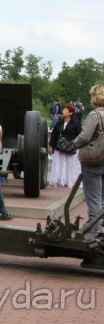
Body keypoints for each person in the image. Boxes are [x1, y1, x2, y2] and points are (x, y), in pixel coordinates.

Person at [73, 84, 104, 238]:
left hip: (94, 160)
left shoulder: (95, 115)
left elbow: (85, 136)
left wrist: (73, 144)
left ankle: (96, 230)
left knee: (94, 197)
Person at [48, 104, 82, 187]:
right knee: (60, 164)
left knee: (70, 164)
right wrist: (51, 146)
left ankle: (70, 181)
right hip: (59, 147)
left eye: (66, 110)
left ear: (70, 113)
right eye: (64, 110)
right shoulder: (59, 123)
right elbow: (54, 135)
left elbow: (80, 135)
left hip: (70, 147)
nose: (63, 111)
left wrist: (76, 145)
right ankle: (59, 180)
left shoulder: (76, 124)